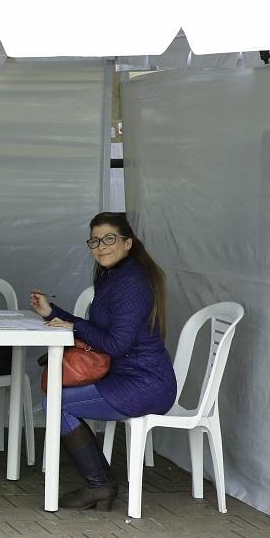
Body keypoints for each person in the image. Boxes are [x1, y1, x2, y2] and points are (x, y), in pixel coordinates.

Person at [30, 212, 176, 510]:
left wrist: (74, 327)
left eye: (109, 238)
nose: (101, 246)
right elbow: (95, 330)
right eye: (95, 240)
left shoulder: (131, 284)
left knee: (55, 402)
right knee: (55, 398)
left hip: (144, 383)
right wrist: (51, 312)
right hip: (128, 377)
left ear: (128, 243)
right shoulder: (116, 277)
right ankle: (102, 484)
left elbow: (115, 343)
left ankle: (99, 486)